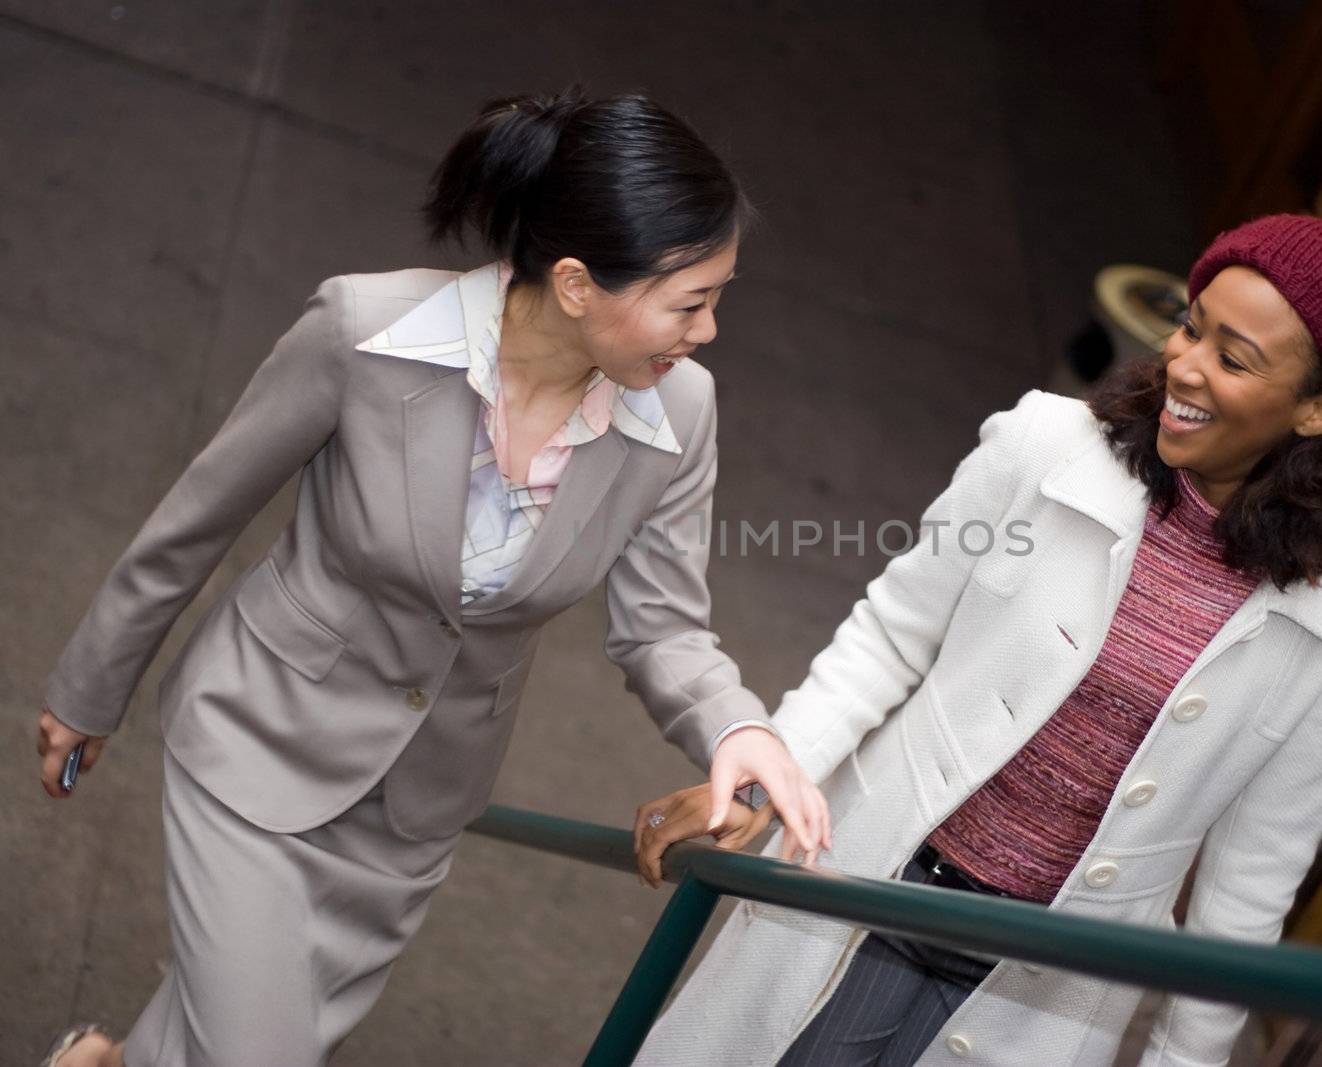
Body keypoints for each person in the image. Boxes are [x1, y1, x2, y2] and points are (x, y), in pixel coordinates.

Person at [34, 88, 828, 1067]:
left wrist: (739, 726)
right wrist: (90, 690)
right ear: (577, 283)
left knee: (247, 1020)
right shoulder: (362, 330)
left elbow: (662, 627)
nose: (707, 332)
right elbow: (201, 515)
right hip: (261, 733)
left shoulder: (679, 414)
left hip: (417, 800)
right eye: (690, 301)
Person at [633, 214, 1322, 1067]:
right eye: (1192, 326)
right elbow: (889, 639)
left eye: (1233, 359)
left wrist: (1183, 1061)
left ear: (1321, 408)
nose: (1185, 365)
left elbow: (1252, 875)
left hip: (1052, 988)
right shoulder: (1044, 444)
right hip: (879, 878)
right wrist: (760, 783)